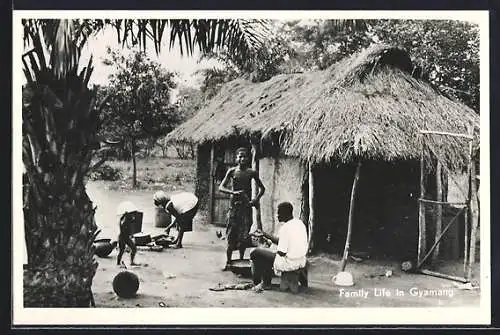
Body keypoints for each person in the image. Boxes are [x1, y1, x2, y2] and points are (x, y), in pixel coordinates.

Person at [219, 147, 265, 271]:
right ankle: (228, 262)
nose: (242, 158)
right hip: (233, 208)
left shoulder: (251, 172)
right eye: (240, 156)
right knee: (230, 235)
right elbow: (221, 187)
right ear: (236, 158)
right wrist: (233, 193)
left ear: (248, 158)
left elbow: (262, 188)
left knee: (243, 237)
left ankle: (240, 261)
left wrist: (255, 199)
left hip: (246, 209)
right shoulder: (232, 171)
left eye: (244, 156)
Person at [250, 202, 308, 290]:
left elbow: (281, 252)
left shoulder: (285, 228)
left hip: (289, 262)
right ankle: (303, 281)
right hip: (301, 260)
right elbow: (283, 242)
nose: (277, 215)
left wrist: (268, 250)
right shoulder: (299, 223)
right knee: (265, 252)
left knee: (255, 253)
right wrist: (265, 235)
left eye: (279, 213)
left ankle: (262, 283)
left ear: (286, 213)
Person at [116, 201, 139, 267]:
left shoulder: (123, 219)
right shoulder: (125, 221)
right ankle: (118, 263)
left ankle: (130, 262)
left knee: (132, 249)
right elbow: (124, 229)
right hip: (123, 237)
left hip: (124, 237)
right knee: (122, 250)